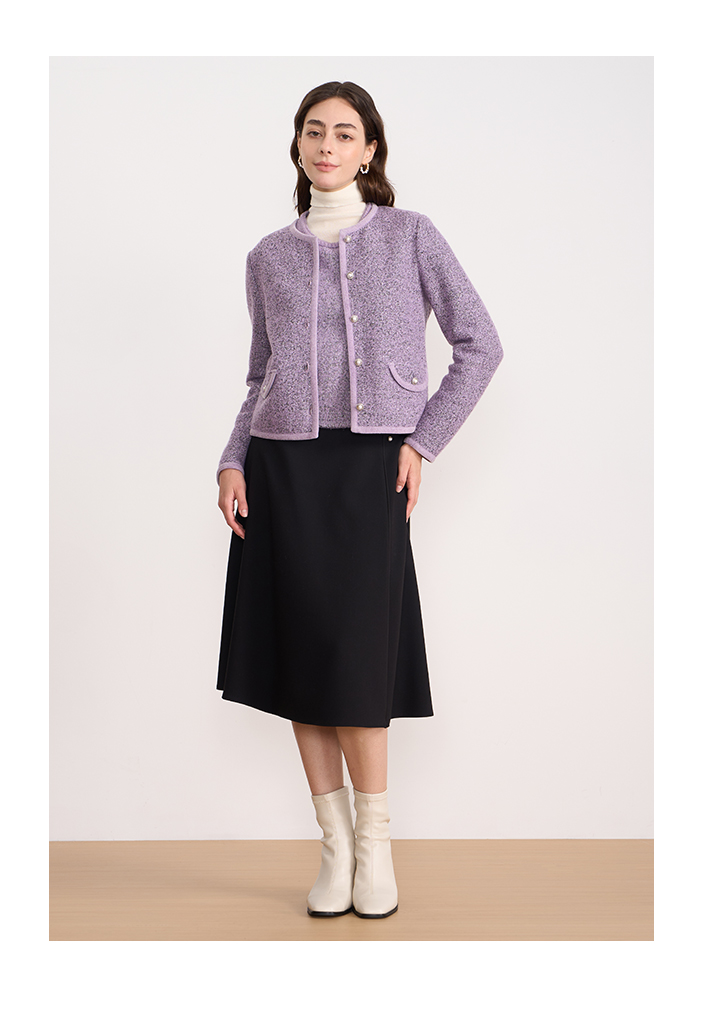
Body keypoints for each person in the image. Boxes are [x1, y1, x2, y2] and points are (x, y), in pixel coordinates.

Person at [215, 81, 503, 919]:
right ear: (299, 145)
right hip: (280, 468)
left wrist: (422, 440)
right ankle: (334, 846)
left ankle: (376, 845)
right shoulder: (267, 257)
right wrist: (232, 459)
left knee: (357, 654)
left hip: (370, 466)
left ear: (370, 148)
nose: (328, 146)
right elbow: (260, 376)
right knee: (300, 651)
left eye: (345, 133)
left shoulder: (412, 237)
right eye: (315, 131)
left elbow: (480, 344)